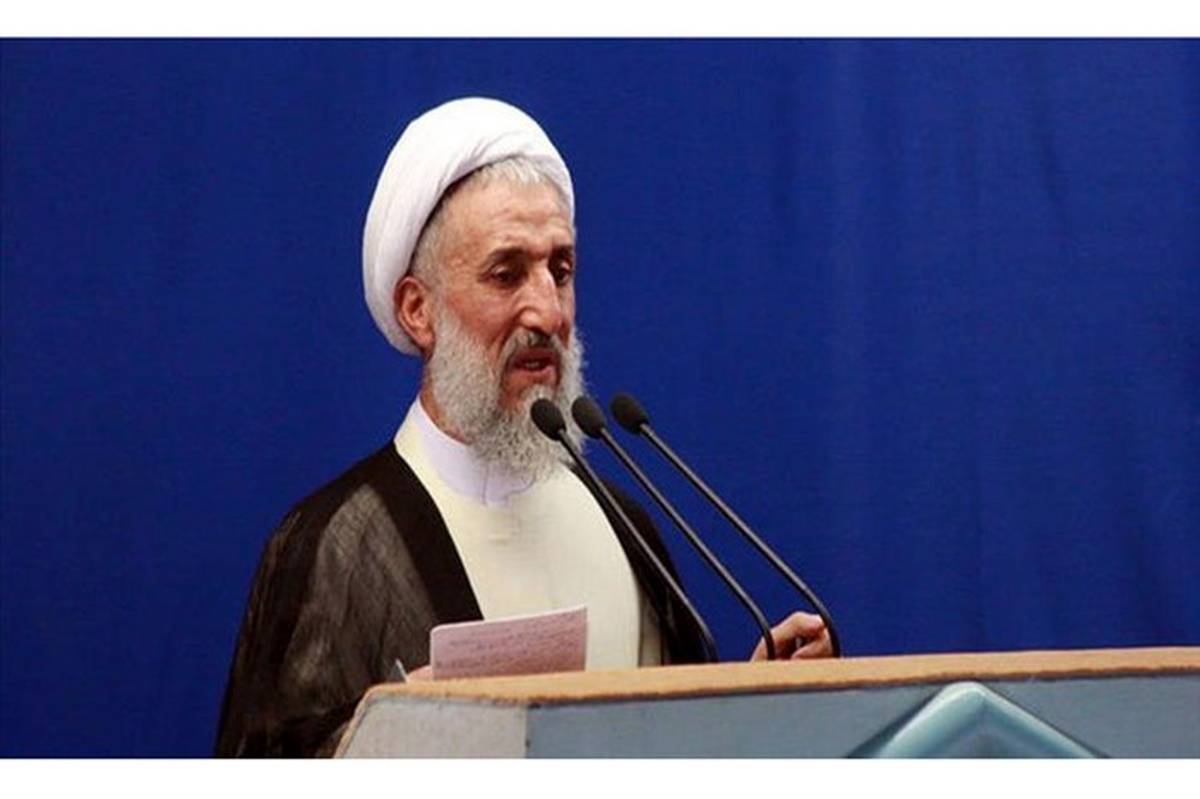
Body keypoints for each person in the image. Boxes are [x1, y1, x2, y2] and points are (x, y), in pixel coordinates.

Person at [215, 97, 831, 758]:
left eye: (560, 271)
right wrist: (384, 737)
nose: (547, 311)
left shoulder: (628, 529)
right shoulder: (339, 545)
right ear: (418, 310)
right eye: (506, 274)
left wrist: (751, 704)